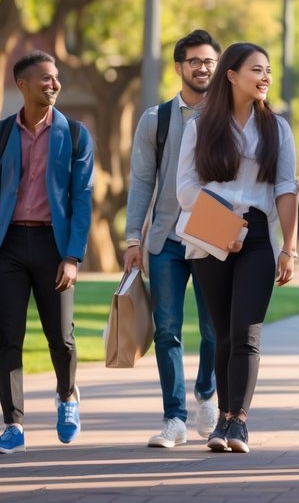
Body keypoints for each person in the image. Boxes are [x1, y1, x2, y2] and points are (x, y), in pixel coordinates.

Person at [0, 50, 94, 454]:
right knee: (10, 338)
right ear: (21, 85)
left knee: (62, 337)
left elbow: (82, 200)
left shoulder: (75, 135)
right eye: (44, 78)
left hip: (54, 248)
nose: (53, 83)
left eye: (55, 77)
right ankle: (13, 424)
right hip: (6, 249)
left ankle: (68, 397)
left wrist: (73, 257)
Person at [175, 42, 298, 454]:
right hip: (211, 230)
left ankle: (237, 422)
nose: (265, 78)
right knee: (222, 334)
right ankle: (221, 420)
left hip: (259, 235)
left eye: (268, 71)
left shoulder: (277, 128)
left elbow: (285, 188)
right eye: (256, 70)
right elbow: (184, 187)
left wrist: (289, 247)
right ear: (231, 75)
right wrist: (223, 217)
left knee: (247, 332)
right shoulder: (200, 126)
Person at [123, 29, 221, 448]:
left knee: (214, 329)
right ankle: (174, 417)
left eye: (210, 62)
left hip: (214, 234)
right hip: (165, 238)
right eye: (195, 61)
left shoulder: (229, 117)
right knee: (168, 329)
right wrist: (132, 239)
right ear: (179, 67)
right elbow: (142, 182)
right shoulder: (155, 120)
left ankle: (206, 390)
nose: (203, 68)